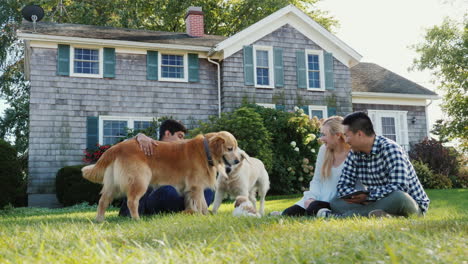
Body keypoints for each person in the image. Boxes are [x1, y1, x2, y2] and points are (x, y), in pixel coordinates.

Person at [318, 111, 430, 218]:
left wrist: (369, 196)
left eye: (347, 135)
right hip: (374, 201)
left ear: (360, 134)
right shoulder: (354, 153)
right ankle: (386, 216)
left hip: (409, 204)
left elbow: (399, 186)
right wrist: (356, 196)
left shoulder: (390, 149)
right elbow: (343, 185)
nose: (346, 140)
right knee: (335, 203)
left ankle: (340, 217)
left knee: (398, 197)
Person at [118, 119, 215, 217]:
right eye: (179, 136)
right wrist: (138, 136)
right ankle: (187, 208)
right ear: (167, 134)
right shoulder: (149, 147)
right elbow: (122, 149)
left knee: (208, 190)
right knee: (168, 190)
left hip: (180, 196)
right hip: (155, 198)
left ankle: (190, 209)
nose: (182, 141)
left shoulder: (183, 154)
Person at [271, 116, 362, 216]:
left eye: (324, 134)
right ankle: (319, 211)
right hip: (318, 198)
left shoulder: (355, 153)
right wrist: (311, 198)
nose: (321, 138)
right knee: (289, 213)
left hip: (339, 202)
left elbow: (360, 187)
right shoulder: (324, 150)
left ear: (337, 135)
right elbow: (317, 180)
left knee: (314, 207)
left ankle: (326, 213)